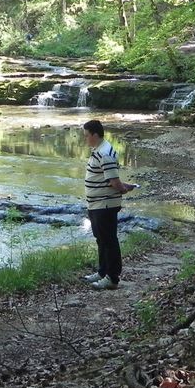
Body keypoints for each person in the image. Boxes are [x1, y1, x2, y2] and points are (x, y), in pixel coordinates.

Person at [80, 119, 135, 290]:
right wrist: (122, 186)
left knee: (109, 240)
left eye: (86, 136)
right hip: (97, 204)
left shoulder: (105, 153)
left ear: (95, 135)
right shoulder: (99, 150)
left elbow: (114, 182)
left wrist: (123, 189)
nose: (85, 139)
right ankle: (102, 271)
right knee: (101, 239)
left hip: (105, 205)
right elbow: (109, 178)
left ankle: (112, 278)